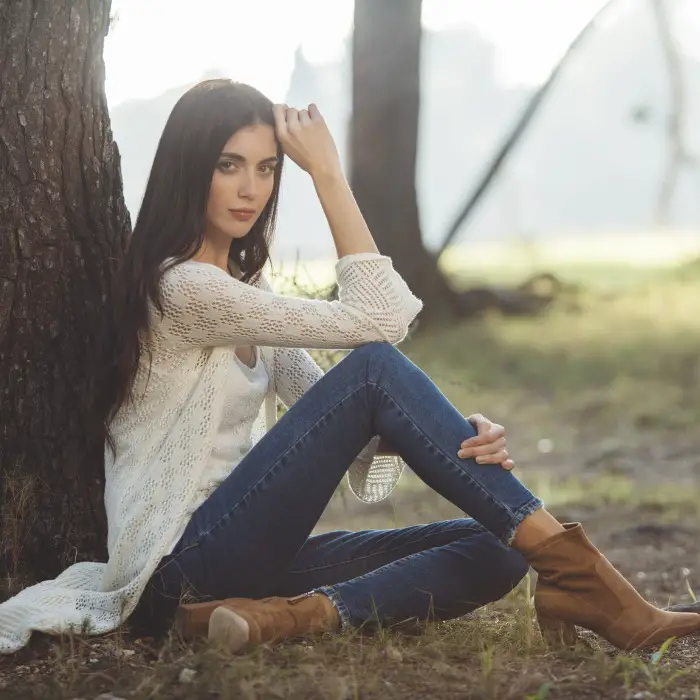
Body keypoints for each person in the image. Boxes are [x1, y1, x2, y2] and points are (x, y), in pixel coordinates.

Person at [0, 79, 698, 656]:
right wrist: (328, 173)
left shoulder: (247, 296)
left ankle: (284, 618)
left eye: (268, 168)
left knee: (498, 549)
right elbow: (378, 326)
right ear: (191, 170)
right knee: (374, 367)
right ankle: (600, 587)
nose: (252, 189)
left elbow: (345, 420)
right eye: (229, 165)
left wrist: (460, 435)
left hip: (246, 566)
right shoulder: (184, 290)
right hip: (178, 565)